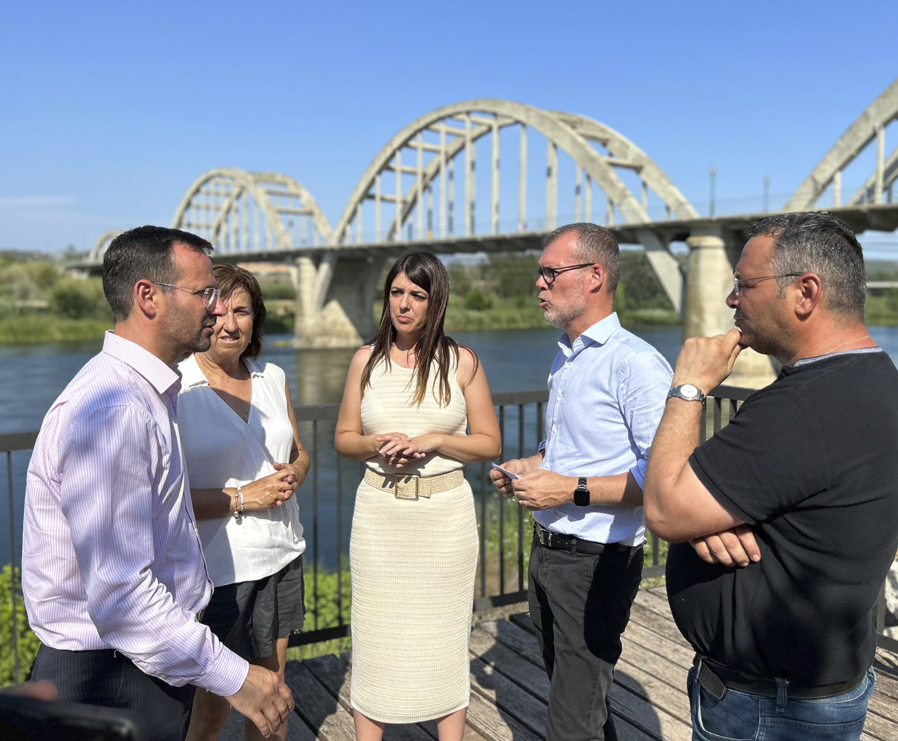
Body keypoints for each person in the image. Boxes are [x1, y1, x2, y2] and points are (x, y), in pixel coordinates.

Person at [644, 212, 898, 740]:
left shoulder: (805, 409)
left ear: (805, 292)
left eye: (745, 285)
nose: (731, 300)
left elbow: (663, 508)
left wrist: (687, 388)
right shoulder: (867, 376)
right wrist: (706, 517)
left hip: (770, 708)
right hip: (813, 685)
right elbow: (784, 495)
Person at [22, 226, 293, 741]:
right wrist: (237, 678)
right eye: (204, 293)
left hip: (139, 660)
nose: (216, 308)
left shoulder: (144, 393)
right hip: (110, 674)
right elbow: (121, 596)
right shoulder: (115, 410)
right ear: (148, 296)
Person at [488, 222, 673, 741]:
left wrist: (567, 489)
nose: (539, 285)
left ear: (594, 276)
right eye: (540, 274)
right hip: (548, 552)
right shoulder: (566, 356)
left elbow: (661, 475)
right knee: (581, 703)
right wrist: (535, 464)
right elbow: (571, 449)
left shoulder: (636, 364)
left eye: (551, 273)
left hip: (597, 563)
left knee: (572, 719)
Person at [334, 252, 501, 741]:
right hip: (380, 517)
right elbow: (344, 436)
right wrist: (376, 444)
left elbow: (489, 442)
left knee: (446, 640)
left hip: (444, 516)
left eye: (417, 295)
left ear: (435, 301)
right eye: (396, 293)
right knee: (374, 637)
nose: (404, 305)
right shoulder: (365, 360)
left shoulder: (461, 361)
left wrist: (434, 439)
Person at [176, 264, 309, 741]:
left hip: (280, 556)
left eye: (243, 311)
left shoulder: (271, 375)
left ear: (256, 318)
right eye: (218, 310)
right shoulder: (176, 387)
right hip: (217, 574)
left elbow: (298, 451)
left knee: (272, 695)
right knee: (209, 710)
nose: (230, 323)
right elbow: (158, 502)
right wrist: (241, 498)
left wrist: (293, 472)